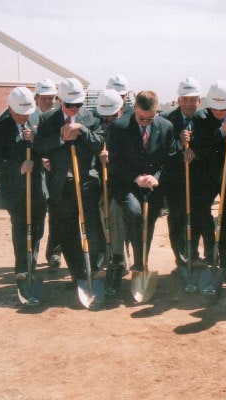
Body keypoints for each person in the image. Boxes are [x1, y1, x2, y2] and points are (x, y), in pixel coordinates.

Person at [34, 78, 106, 287]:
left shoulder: (91, 117)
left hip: (86, 181)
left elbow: (99, 143)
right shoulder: (48, 119)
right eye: (69, 105)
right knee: (68, 230)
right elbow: (40, 147)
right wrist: (61, 138)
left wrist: (81, 130)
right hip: (61, 183)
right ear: (60, 100)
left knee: (93, 227)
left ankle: (95, 269)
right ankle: (78, 274)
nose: (74, 109)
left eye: (78, 105)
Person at [185, 80, 226, 284]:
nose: (219, 113)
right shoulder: (200, 118)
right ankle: (211, 255)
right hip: (206, 177)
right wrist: (221, 132)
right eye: (215, 109)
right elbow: (198, 147)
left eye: (223, 109)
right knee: (202, 215)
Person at [108, 91, 175, 272]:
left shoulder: (167, 127)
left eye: (150, 119)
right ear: (135, 108)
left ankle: (142, 261)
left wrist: (157, 177)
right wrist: (136, 177)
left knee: (149, 222)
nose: (145, 122)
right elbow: (114, 162)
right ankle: (130, 258)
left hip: (153, 185)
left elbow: (169, 159)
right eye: (141, 118)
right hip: (126, 183)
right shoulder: (118, 127)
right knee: (134, 211)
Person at [0, 87, 46, 282]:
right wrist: (18, 167)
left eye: (27, 113)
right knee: (21, 225)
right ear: (10, 108)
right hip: (13, 188)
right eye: (20, 114)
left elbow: (44, 149)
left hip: (36, 186)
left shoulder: (36, 122)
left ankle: (32, 262)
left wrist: (35, 141)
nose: (25, 117)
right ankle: (22, 268)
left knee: (39, 225)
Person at [160, 77, 202, 272]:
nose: (189, 104)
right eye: (185, 99)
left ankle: (193, 254)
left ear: (199, 101)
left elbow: (211, 145)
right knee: (177, 218)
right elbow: (161, 147)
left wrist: (196, 151)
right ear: (178, 100)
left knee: (196, 217)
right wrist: (179, 144)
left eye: (193, 99)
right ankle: (181, 258)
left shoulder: (204, 118)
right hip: (175, 179)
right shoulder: (167, 119)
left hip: (198, 179)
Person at [29, 79, 63, 271]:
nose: (49, 102)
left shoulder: (58, 118)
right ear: (36, 98)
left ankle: (54, 254)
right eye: (45, 99)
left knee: (57, 215)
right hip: (36, 176)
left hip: (56, 174)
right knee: (38, 217)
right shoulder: (30, 118)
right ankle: (31, 256)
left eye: (52, 98)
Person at [95, 89, 128, 285]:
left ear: (121, 110)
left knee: (116, 212)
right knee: (102, 211)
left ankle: (119, 258)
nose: (108, 120)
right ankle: (109, 258)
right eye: (105, 116)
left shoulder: (128, 127)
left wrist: (113, 159)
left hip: (124, 183)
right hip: (102, 182)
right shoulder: (97, 125)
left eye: (112, 115)